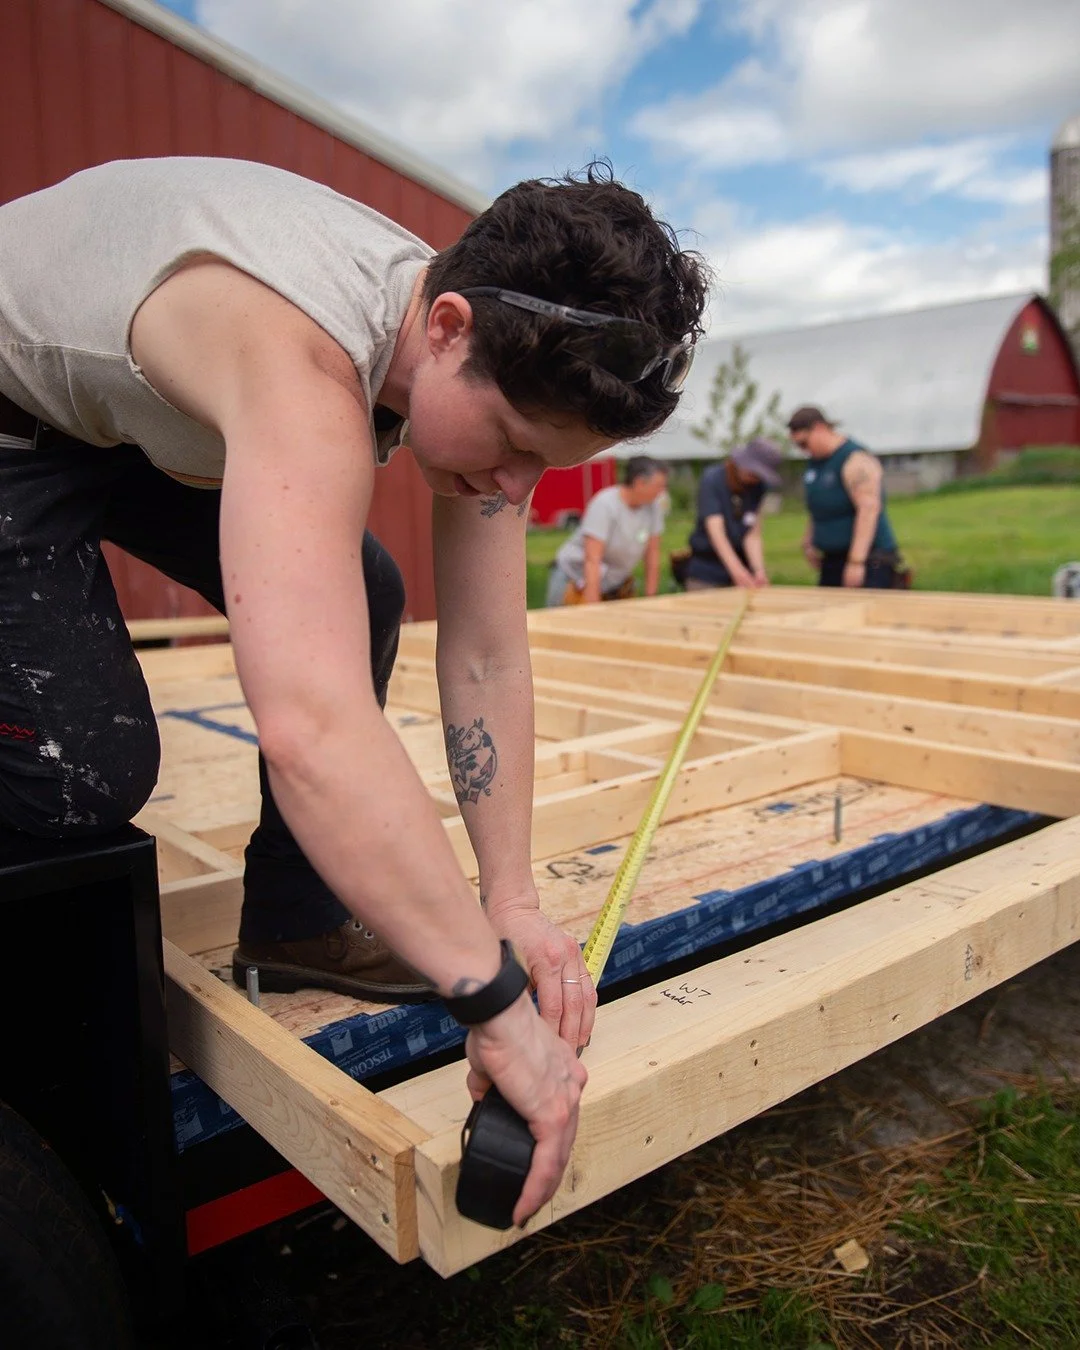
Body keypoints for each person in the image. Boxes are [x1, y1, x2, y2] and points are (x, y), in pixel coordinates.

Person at [0, 156, 710, 1223]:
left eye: (547, 468)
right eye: (514, 445)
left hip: (122, 409)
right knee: (80, 779)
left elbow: (486, 655)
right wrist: (495, 1008)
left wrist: (508, 904)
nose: (515, 488)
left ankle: (292, 924)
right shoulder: (301, 356)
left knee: (364, 587)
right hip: (14, 411)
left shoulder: (471, 336)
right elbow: (313, 729)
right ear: (448, 328)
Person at [787, 406, 903, 589]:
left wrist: (856, 562)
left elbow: (869, 509)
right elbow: (819, 506)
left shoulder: (855, 460)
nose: (803, 450)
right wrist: (809, 541)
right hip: (833, 558)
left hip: (869, 559)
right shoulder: (815, 463)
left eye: (804, 443)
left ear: (819, 428)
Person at [546, 456, 668, 605]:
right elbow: (592, 559)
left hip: (612, 581)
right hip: (575, 577)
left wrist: (651, 598)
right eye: (659, 486)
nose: (662, 492)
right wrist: (593, 606)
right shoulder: (605, 504)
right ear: (639, 482)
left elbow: (652, 553)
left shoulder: (653, 508)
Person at [683, 439, 783, 589]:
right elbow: (716, 532)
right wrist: (737, 571)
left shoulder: (759, 486)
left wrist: (758, 570)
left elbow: (752, 534)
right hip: (707, 571)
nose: (755, 479)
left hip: (741, 569)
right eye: (753, 473)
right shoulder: (712, 480)